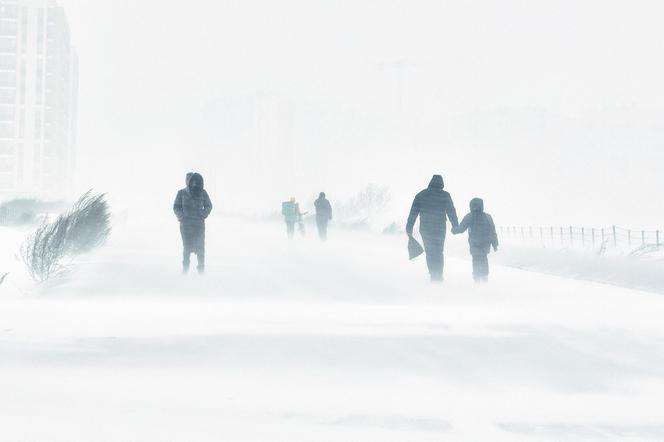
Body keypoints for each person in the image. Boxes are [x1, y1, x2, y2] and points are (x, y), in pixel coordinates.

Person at [406, 174, 459, 282]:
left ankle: (433, 273)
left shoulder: (421, 195)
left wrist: (409, 227)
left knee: (430, 251)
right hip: (439, 229)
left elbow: (413, 212)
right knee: (438, 251)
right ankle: (438, 274)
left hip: (426, 229)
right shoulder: (445, 195)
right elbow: (451, 211)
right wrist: (455, 225)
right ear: (441, 184)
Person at [173, 172, 213, 274]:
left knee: (200, 249)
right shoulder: (181, 193)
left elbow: (209, 206)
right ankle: (185, 271)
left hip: (199, 226)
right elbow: (176, 207)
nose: (190, 181)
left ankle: (201, 273)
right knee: (186, 248)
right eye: (188, 179)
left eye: (191, 179)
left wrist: (202, 215)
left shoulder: (203, 193)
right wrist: (181, 217)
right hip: (185, 226)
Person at [452, 198, 498, 282]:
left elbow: (461, 229)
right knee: (484, 258)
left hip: (474, 243)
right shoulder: (488, 216)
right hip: (485, 243)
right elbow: (492, 230)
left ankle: (477, 278)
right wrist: (495, 243)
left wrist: (454, 230)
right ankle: (484, 277)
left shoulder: (469, 216)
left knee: (476, 258)